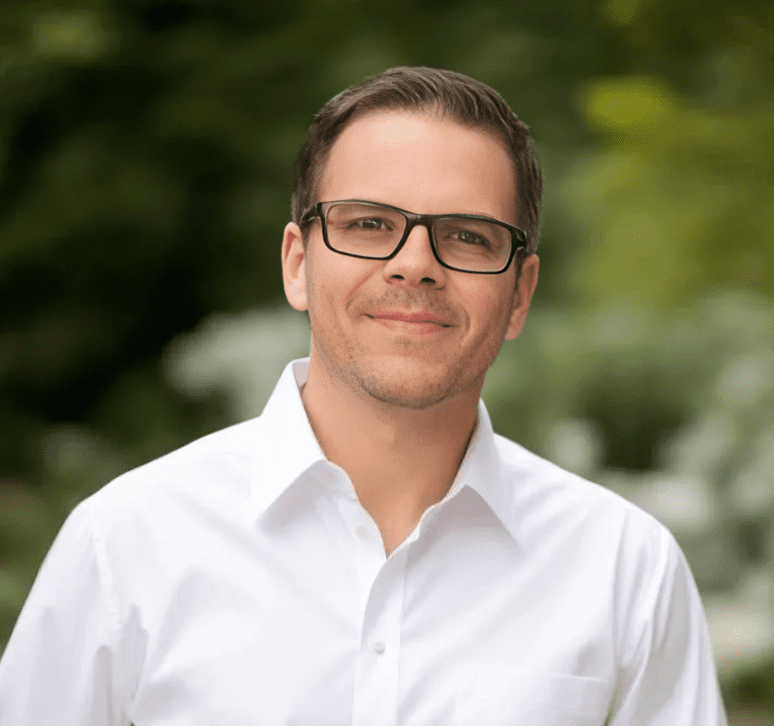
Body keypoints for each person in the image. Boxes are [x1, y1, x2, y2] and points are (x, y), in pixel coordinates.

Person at [0, 66, 728, 725]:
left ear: (519, 295)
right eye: (369, 224)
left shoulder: (625, 570)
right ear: (296, 263)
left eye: (468, 236)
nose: (415, 265)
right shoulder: (124, 546)